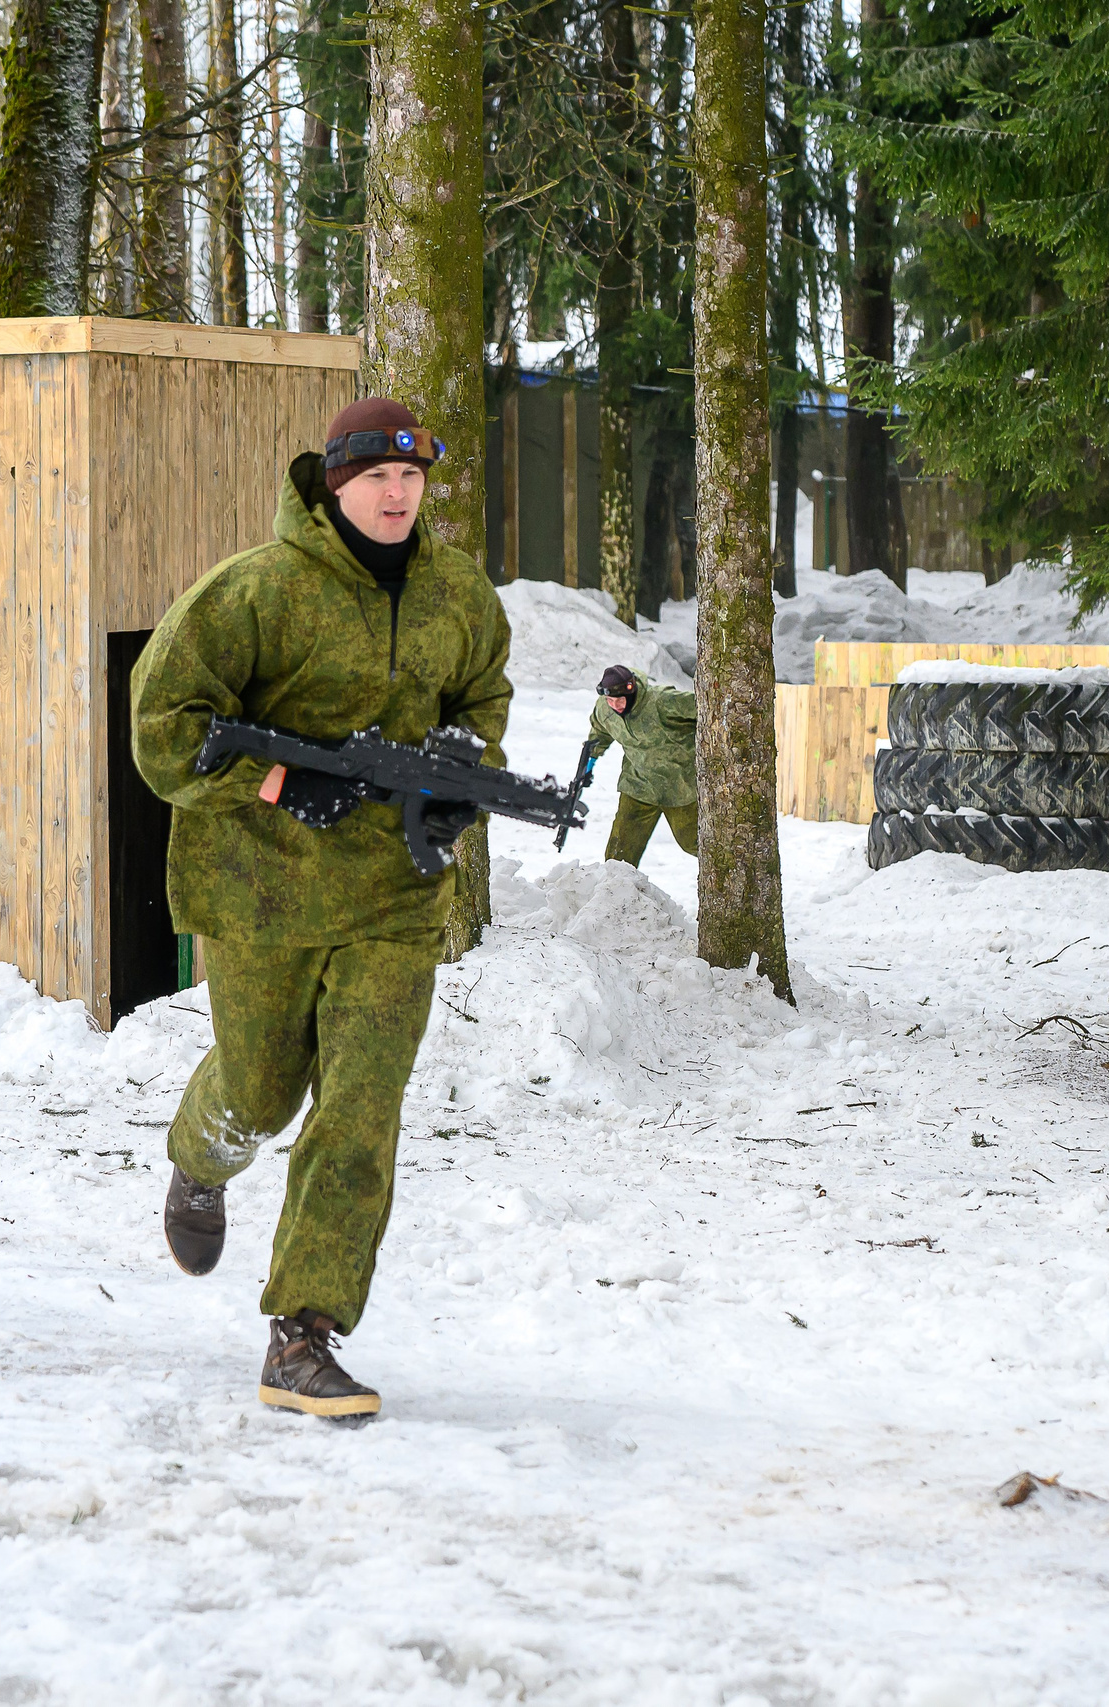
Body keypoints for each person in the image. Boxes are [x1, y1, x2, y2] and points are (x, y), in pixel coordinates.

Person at [129, 396, 512, 1420]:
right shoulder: (253, 592)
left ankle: (304, 1335)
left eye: (411, 478)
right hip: (259, 890)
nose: (396, 495)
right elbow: (163, 729)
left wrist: (462, 767)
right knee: (262, 1092)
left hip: (391, 896)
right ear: (333, 486)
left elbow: (483, 701)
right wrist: (277, 784)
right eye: (375, 478)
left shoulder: (456, 596)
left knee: (358, 1109)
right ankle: (199, 1160)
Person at [585, 663, 698, 866]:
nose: (615, 705)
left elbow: (706, 708)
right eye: (610, 700)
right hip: (638, 785)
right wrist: (591, 758)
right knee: (618, 857)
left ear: (632, 691)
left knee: (696, 843)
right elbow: (600, 731)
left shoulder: (662, 700)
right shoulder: (605, 708)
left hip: (682, 786)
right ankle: (615, 895)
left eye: (619, 699)